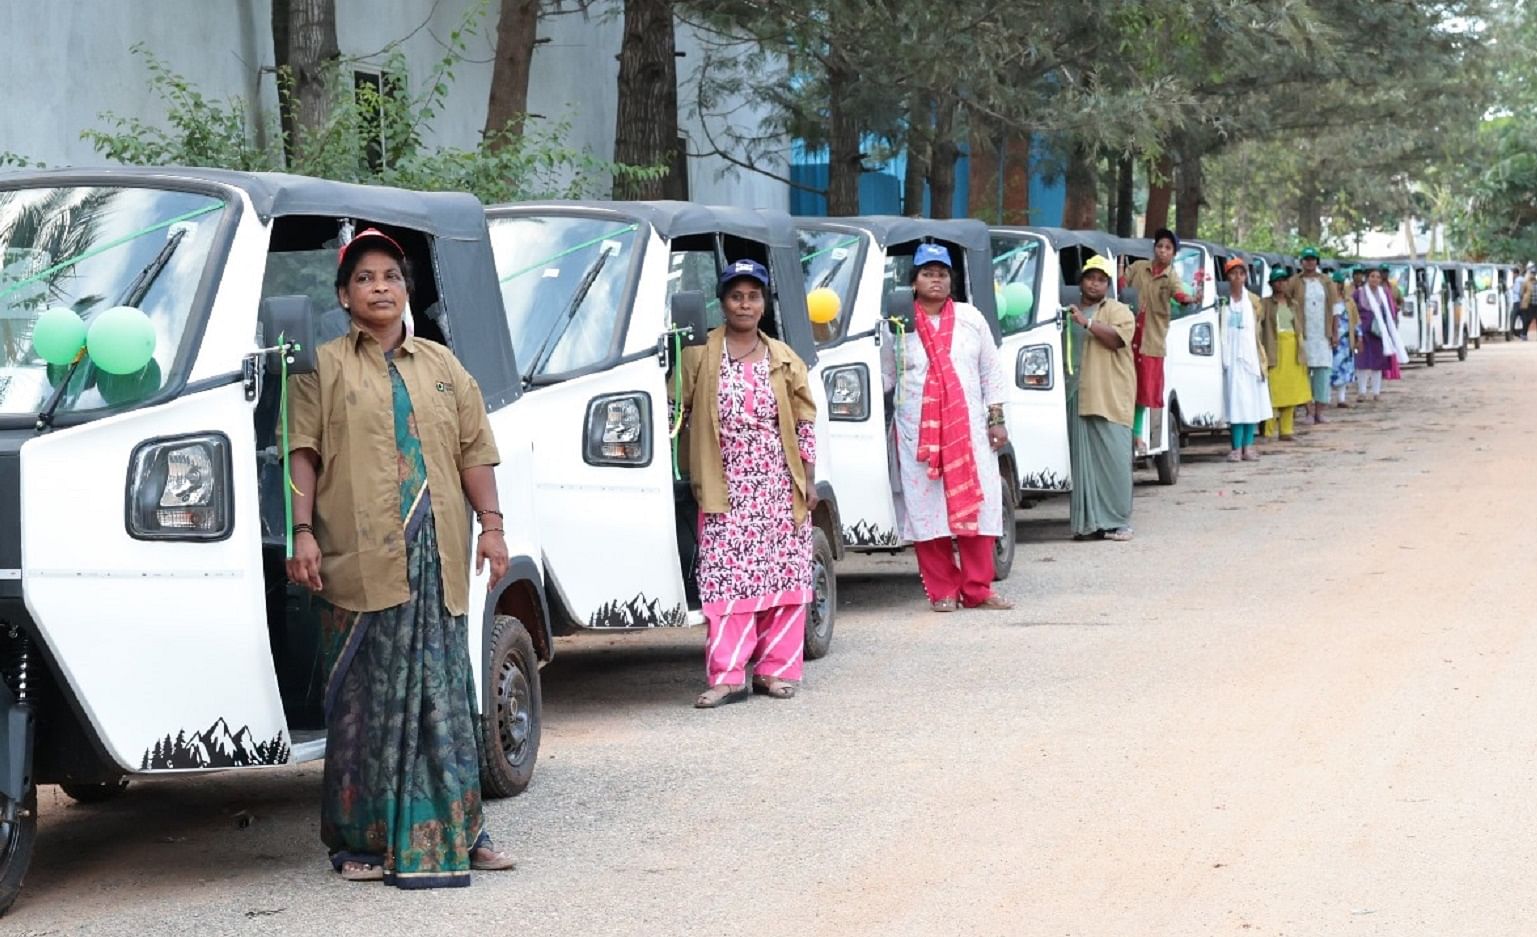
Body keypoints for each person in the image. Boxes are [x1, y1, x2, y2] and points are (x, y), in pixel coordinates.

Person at [286, 228, 516, 886]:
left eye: (390, 275)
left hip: (436, 559)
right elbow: (303, 451)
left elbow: (475, 451)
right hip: (356, 563)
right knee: (365, 703)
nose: (379, 286)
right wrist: (302, 530)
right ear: (342, 295)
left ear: (406, 288)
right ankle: (362, 838)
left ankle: (464, 829)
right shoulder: (321, 366)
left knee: (444, 694)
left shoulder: (442, 366)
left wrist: (493, 527)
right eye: (364, 277)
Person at [676, 259, 819, 709]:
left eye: (753, 296)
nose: (744, 304)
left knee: (783, 575)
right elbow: (673, 410)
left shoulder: (783, 357)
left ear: (763, 304)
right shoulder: (698, 355)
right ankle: (728, 676)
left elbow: (804, 419)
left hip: (778, 483)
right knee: (725, 580)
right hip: (724, 485)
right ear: (722, 302)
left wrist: (809, 478)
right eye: (736, 296)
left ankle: (776, 672)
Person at [883, 243, 1013, 612]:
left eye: (941, 273)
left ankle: (978, 589)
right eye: (927, 273)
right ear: (914, 281)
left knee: (978, 504)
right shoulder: (898, 323)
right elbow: (886, 376)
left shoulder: (972, 318)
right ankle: (942, 591)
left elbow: (991, 370)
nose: (935, 280)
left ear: (951, 280)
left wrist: (997, 419)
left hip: (970, 429)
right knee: (927, 510)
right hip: (918, 434)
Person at [1066, 255, 1137, 539]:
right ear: (1081, 280)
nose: (1094, 284)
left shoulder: (1118, 310)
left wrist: (1087, 323)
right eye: (1090, 278)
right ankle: (1089, 525)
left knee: (1115, 463)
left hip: (1110, 398)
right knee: (1085, 468)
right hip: (1079, 398)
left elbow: (1117, 339)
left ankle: (1120, 522)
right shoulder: (1067, 312)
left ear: (1108, 285)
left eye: (1101, 280)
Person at [1120, 228, 1197, 455]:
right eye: (1160, 246)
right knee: (1125, 386)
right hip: (1128, 335)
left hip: (1151, 340)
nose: (1162, 251)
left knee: (1144, 392)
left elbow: (1179, 295)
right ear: (1154, 248)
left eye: (1168, 248)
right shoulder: (1138, 268)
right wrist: (1118, 274)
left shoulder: (1171, 276)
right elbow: (1121, 286)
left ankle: (1138, 437)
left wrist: (1191, 299)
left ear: (1173, 253)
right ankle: (1125, 434)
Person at [1220, 258, 1271, 462]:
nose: (1238, 277)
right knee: (1235, 403)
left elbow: (1259, 331)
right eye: (1233, 274)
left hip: (1250, 357)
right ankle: (1235, 447)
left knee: (1251, 403)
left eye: (1241, 273)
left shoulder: (1254, 301)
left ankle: (1248, 446)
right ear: (1228, 277)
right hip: (1231, 358)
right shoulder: (1223, 300)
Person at [1259, 267, 1310, 440]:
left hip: (1293, 349)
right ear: (1271, 284)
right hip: (1274, 349)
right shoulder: (1265, 304)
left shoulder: (1293, 304)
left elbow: (1300, 327)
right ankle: (1268, 431)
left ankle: (1286, 430)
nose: (1281, 284)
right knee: (1273, 392)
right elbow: (1260, 326)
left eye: (1284, 280)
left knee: (1291, 392)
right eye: (1277, 281)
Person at [1291, 247, 1339, 424]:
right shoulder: (1294, 282)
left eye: (1313, 259)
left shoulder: (1326, 282)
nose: (1309, 262)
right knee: (1303, 372)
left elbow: (1335, 309)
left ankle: (1320, 410)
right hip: (1303, 334)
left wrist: (1335, 332)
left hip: (1322, 334)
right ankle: (1308, 411)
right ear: (1301, 262)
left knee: (1323, 372)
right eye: (1306, 259)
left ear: (1317, 262)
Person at [1353, 265, 1405, 402]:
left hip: (1378, 332)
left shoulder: (1384, 293)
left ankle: (1376, 392)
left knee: (1378, 363)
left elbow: (1390, 312)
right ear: (1367, 278)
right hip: (1362, 331)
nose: (1375, 279)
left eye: (1377, 277)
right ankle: (1362, 392)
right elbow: (1352, 311)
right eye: (1372, 276)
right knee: (1361, 362)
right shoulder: (1358, 293)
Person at [1329, 268, 1360, 408]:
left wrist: (1359, 336)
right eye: (1334, 282)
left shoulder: (1349, 301)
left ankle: (1341, 398)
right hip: (1330, 339)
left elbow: (1355, 320)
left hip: (1346, 341)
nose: (1337, 285)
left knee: (1345, 370)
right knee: (1329, 369)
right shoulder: (1327, 300)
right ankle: (1326, 398)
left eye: (1339, 282)